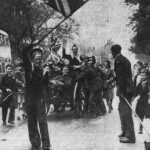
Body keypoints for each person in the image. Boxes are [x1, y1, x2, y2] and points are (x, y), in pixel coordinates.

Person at [22, 45, 51, 150]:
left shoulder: (43, 70)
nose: (38, 61)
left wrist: (48, 101)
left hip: (40, 99)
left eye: (40, 58)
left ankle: (46, 144)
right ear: (32, 60)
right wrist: (31, 44)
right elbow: (25, 53)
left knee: (43, 121)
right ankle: (35, 143)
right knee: (32, 121)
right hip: (30, 99)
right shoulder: (28, 69)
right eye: (36, 59)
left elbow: (45, 86)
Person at [111, 44, 136, 143]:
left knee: (126, 112)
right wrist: (113, 78)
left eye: (111, 52)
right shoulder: (124, 59)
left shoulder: (118, 61)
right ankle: (125, 132)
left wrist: (121, 91)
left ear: (114, 52)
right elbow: (122, 75)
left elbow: (122, 78)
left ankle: (130, 136)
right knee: (122, 110)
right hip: (126, 87)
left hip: (125, 89)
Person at [135, 68, 150, 134]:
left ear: (147, 76)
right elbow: (136, 91)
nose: (142, 76)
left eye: (144, 75)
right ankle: (140, 127)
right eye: (141, 75)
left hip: (148, 101)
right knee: (140, 115)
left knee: (147, 115)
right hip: (141, 101)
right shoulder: (140, 83)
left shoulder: (149, 83)